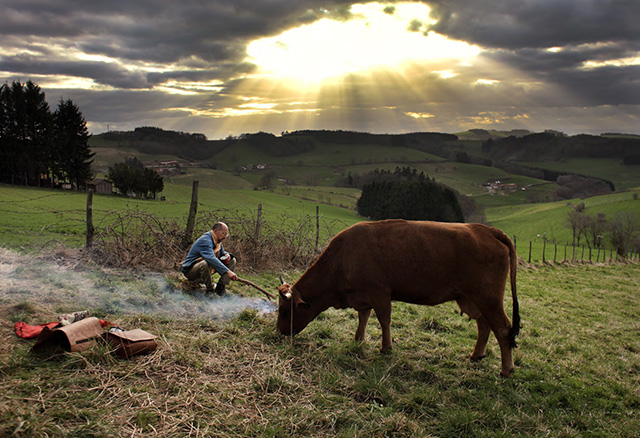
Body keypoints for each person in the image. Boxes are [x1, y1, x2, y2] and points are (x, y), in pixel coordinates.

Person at [181, 222, 238, 295]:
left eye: (226, 234)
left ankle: (220, 287)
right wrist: (228, 272)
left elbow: (221, 253)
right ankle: (210, 290)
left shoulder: (217, 240)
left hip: (206, 268)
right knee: (205, 263)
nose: (225, 237)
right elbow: (210, 258)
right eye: (223, 233)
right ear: (216, 231)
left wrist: (226, 254)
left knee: (232, 260)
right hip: (191, 270)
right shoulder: (205, 240)